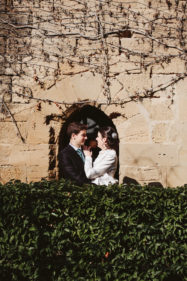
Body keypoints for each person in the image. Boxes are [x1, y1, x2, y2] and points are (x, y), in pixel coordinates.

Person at [59, 122, 91, 186]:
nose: (86, 138)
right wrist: (94, 186)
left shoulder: (87, 151)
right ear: (73, 136)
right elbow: (75, 178)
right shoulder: (65, 154)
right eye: (83, 135)